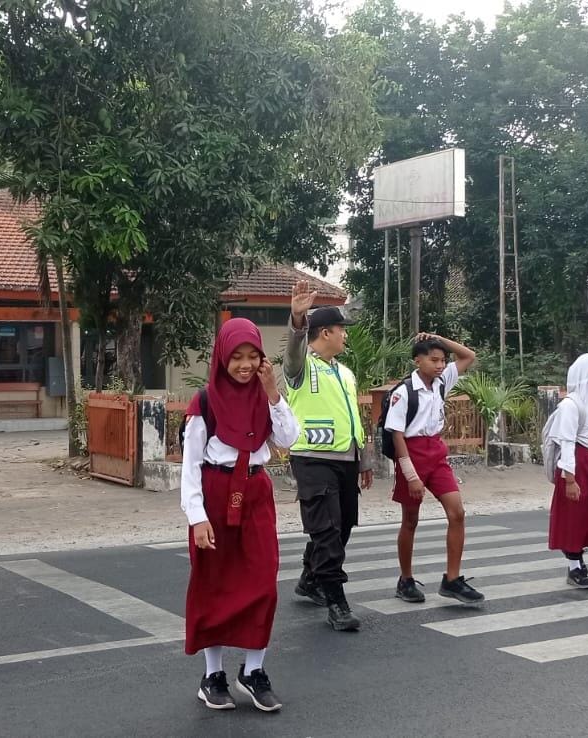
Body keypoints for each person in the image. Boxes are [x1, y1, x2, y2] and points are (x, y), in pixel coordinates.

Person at [181, 318, 299, 712]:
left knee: (263, 582)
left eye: (253, 356)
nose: (245, 365)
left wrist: (273, 393)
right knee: (214, 584)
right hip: (215, 495)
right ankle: (212, 675)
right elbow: (190, 466)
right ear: (222, 358)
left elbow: (288, 439)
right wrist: (197, 517)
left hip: (255, 493)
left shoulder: (265, 398)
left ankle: (253, 671)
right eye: (237, 357)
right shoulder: (205, 402)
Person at [284, 281, 373, 632]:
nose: (345, 337)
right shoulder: (301, 367)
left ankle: (310, 578)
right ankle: (336, 600)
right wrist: (296, 318)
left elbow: (352, 417)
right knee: (327, 529)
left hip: (345, 460)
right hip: (312, 458)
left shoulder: (345, 373)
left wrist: (362, 460)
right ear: (324, 332)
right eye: (341, 331)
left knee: (344, 525)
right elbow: (292, 351)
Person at [385, 333, 485, 604]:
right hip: (412, 454)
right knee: (411, 520)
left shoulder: (441, 383)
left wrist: (439, 338)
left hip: (436, 453)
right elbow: (397, 435)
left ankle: (452, 579)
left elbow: (468, 356)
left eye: (442, 360)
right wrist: (411, 475)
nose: (440, 365)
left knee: (457, 512)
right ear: (418, 361)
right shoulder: (404, 392)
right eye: (434, 360)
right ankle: (405, 580)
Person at [543, 353, 588, 589]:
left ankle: (577, 559)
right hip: (576, 465)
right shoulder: (571, 405)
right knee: (574, 518)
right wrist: (570, 479)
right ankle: (575, 567)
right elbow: (566, 442)